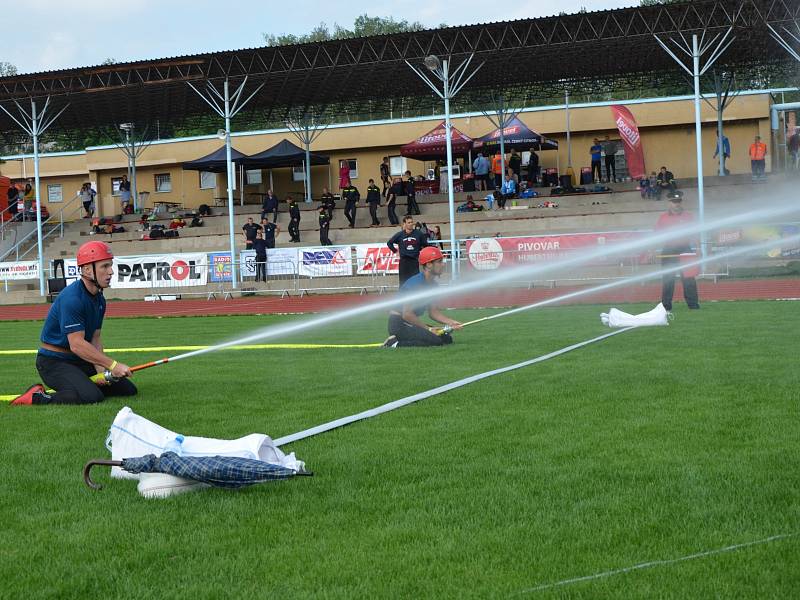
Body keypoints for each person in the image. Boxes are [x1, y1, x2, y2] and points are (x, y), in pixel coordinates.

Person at [10, 241, 137, 406]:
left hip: (78, 361)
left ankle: (80, 385)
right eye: (104, 266)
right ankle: (36, 396)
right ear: (86, 270)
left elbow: (95, 338)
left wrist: (100, 370)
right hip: (53, 362)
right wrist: (112, 365)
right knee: (92, 397)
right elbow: (76, 345)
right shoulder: (72, 299)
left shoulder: (100, 299)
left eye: (110, 266)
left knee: (127, 390)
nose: (111, 271)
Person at [383, 246, 463, 348]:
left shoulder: (434, 286)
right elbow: (407, 314)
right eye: (439, 261)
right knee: (435, 341)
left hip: (410, 322)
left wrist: (452, 322)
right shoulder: (416, 284)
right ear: (429, 265)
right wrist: (428, 329)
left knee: (446, 338)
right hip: (399, 324)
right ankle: (394, 343)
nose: (443, 264)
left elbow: (433, 312)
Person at [655, 191, 700, 311]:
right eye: (674, 202)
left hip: (685, 249)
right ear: (669, 202)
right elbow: (656, 235)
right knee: (668, 279)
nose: (676, 204)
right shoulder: (663, 218)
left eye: (678, 201)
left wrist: (698, 249)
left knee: (689, 279)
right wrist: (652, 250)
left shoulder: (688, 216)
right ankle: (666, 307)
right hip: (669, 250)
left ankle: (693, 305)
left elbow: (695, 233)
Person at [387, 214, 429, 285]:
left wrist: (422, 253)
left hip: (414, 261)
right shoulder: (400, 234)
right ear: (405, 224)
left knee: (415, 282)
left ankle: (415, 295)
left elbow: (425, 245)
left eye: (411, 222)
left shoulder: (418, 234)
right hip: (404, 262)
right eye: (409, 222)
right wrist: (395, 251)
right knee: (403, 282)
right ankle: (403, 295)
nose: (411, 224)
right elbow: (389, 243)